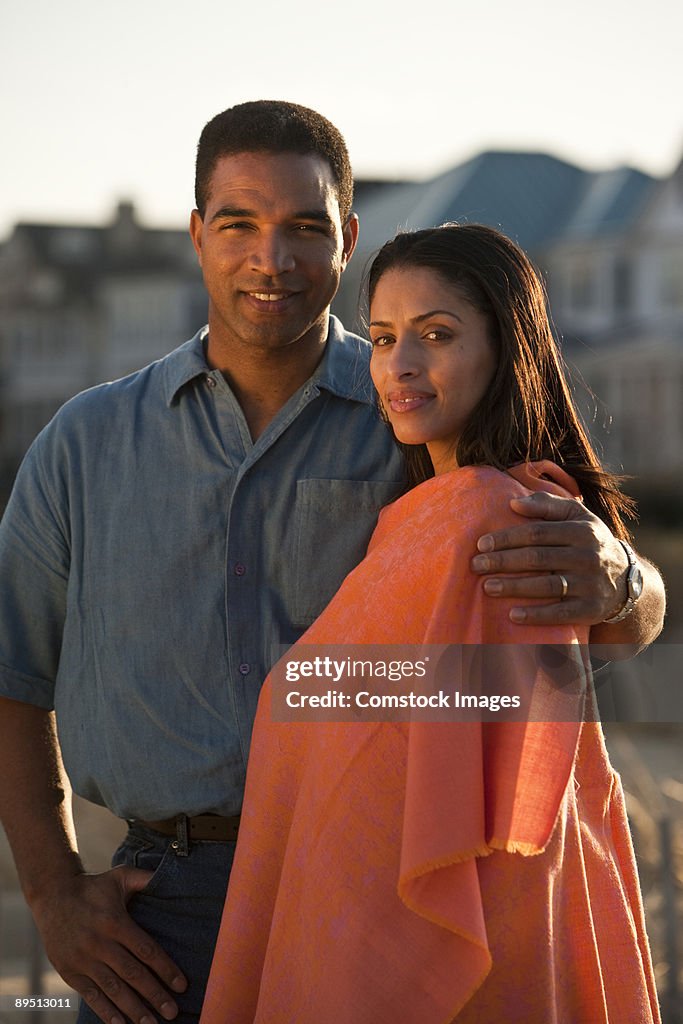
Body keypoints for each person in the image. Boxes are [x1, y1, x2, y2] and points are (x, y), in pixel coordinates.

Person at [0, 102, 664, 1024]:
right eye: (238, 224)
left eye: (305, 228)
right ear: (197, 235)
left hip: (367, 891)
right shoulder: (84, 442)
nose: (271, 260)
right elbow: (13, 678)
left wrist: (626, 579)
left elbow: (593, 611)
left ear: (348, 237)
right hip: (158, 913)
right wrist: (55, 896)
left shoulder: (419, 418)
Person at [200, 224, 661, 1023]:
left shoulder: (497, 522)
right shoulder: (416, 521)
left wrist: (630, 585)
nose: (399, 365)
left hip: (441, 954)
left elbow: (501, 808)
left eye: (436, 335)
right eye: (381, 338)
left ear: (505, 348)